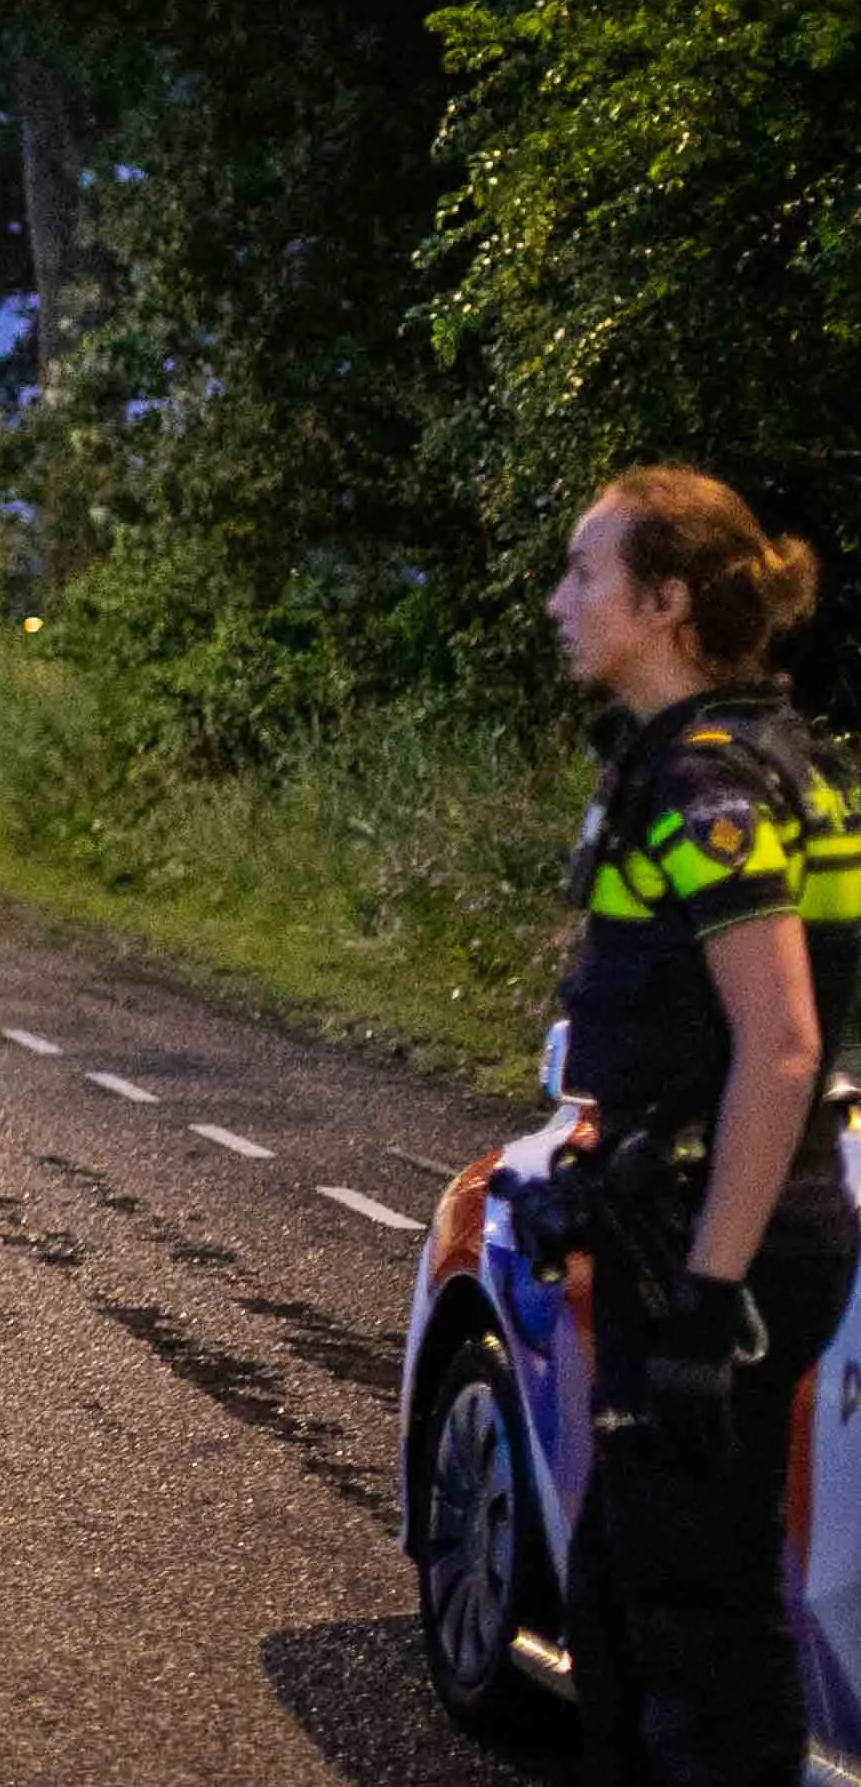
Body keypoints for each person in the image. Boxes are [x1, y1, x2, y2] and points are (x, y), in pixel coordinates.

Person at [544, 464, 861, 1786]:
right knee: (626, 1595)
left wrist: (703, 1299)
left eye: (586, 574)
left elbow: (781, 1044)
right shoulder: (760, 754)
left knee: (700, 1635)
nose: (560, 602)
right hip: (696, 1221)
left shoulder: (710, 787)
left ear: (665, 601)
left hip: (713, 1250)